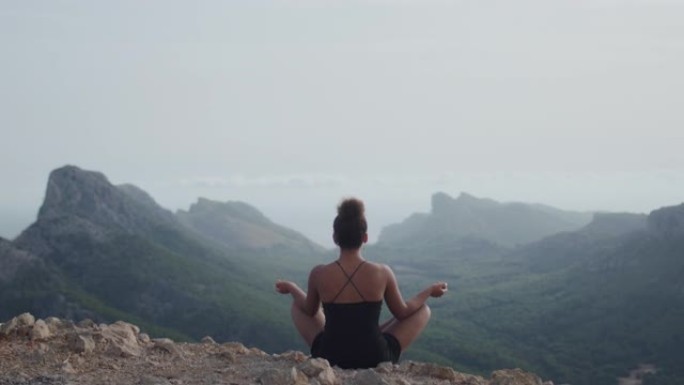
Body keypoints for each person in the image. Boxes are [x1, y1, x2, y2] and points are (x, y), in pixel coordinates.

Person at [275, 198, 447, 369]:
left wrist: (292, 288)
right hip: (375, 357)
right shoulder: (382, 272)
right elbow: (403, 312)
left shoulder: (319, 273)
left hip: (329, 355)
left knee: (298, 305)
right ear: (365, 237)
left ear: (335, 237)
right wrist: (429, 291)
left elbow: (309, 310)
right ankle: (368, 334)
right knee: (423, 309)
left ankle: (357, 336)